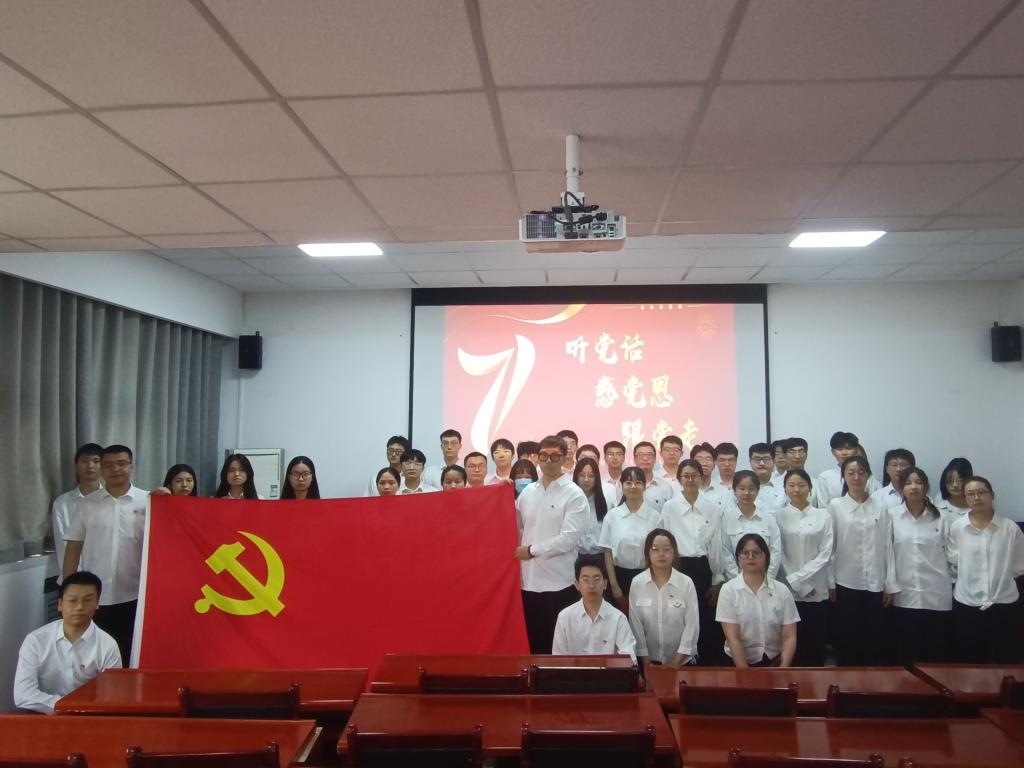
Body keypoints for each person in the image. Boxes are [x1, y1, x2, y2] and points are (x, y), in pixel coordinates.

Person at [62, 445, 146, 665]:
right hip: (95, 596)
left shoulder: (148, 501)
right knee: (93, 655)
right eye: (108, 465)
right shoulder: (87, 504)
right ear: (101, 469)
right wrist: (67, 589)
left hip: (135, 594)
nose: (115, 469)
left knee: (130, 654)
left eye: (121, 464)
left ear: (131, 466)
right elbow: (73, 547)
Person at [515, 435, 587, 653]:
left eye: (555, 456)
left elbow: (568, 539)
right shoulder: (528, 492)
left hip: (559, 583)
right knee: (532, 646)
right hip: (527, 582)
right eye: (543, 455)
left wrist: (532, 551)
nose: (548, 461)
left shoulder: (574, 494)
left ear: (564, 458)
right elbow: (515, 528)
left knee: (558, 648)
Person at [13, 571, 121, 713]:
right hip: (46, 714)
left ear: (97, 604)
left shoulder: (108, 645)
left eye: (88, 600)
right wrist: (67, 706)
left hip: (90, 716)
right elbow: (23, 694)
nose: (80, 607)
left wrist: (81, 710)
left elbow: (112, 696)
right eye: (72, 600)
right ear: (60, 604)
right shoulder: (35, 641)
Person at [828, 455, 898, 666]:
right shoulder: (836, 506)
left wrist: (890, 584)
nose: (856, 477)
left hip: (875, 582)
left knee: (874, 639)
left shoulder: (881, 506)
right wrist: (830, 582)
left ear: (868, 476)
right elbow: (830, 547)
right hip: (845, 581)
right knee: (848, 638)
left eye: (861, 473)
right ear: (844, 476)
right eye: (851, 473)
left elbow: (888, 547)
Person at [946, 476, 1024, 663]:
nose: (977, 498)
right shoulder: (958, 527)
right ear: (965, 498)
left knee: (1006, 660)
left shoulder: (1010, 529)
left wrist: (999, 581)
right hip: (967, 602)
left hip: (1004, 604)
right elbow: (953, 561)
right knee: (969, 659)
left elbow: (1018, 566)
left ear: (992, 495)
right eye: (970, 494)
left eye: (981, 492)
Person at [656, 459, 722, 664]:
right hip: (679, 567)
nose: (691, 480)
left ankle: (704, 664)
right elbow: (664, 539)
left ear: (701, 478)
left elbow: (716, 544)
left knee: (704, 617)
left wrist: (717, 578)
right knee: (679, 615)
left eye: (695, 476)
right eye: (686, 476)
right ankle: (681, 660)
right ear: (679, 479)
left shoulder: (712, 508)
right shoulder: (670, 507)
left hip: (704, 568)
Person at [890, 467, 952, 665]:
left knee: (935, 652)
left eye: (919, 482)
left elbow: (952, 555)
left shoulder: (942, 517)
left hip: (936, 593)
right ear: (901, 488)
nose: (914, 487)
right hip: (904, 594)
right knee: (906, 651)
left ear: (926, 486)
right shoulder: (891, 516)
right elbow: (887, 554)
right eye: (908, 483)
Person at [775, 469, 833, 666]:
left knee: (815, 642)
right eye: (791, 485)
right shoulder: (778, 517)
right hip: (787, 588)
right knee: (790, 644)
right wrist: (798, 583)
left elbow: (825, 553)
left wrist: (800, 580)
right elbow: (779, 553)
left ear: (810, 487)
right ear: (785, 489)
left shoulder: (823, 515)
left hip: (817, 588)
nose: (796, 489)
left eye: (801, 485)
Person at [717, 534, 799, 667]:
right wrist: (745, 674)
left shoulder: (782, 590)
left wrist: (782, 671)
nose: (751, 557)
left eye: (756, 553)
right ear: (738, 558)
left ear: (766, 557)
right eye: (745, 553)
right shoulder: (728, 590)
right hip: (737, 663)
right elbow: (733, 638)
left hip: (775, 662)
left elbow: (789, 636)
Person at [629, 529, 699, 668]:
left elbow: (692, 625)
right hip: (648, 662)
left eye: (667, 549)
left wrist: (677, 662)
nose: (661, 554)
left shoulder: (686, 583)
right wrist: (646, 661)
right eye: (655, 549)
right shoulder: (637, 583)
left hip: (682, 662)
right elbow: (635, 624)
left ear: (674, 552)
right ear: (648, 553)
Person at [599, 466, 661, 611]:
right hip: (619, 577)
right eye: (628, 482)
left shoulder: (655, 517)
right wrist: (614, 585)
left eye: (638, 482)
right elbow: (607, 552)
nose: (633, 486)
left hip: (647, 575)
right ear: (622, 486)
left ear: (644, 486)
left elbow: (658, 552)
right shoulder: (612, 516)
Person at [552, 558, 636, 662]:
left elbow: (629, 659)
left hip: (609, 672)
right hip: (574, 672)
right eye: (585, 579)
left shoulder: (618, 618)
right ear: (577, 584)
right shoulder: (564, 617)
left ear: (605, 584)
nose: (591, 585)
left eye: (597, 579)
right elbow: (558, 659)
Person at [718, 470, 782, 584]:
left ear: (757, 491)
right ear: (734, 491)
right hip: (736, 583)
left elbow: (775, 551)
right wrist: (738, 581)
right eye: (742, 488)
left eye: (751, 489)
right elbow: (725, 553)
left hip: (766, 581)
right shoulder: (726, 519)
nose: (747, 493)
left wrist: (767, 579)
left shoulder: (768, 519)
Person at [52, 443, 103, 581]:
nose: (90, 466)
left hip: (106, 579)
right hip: (73, 579)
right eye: (85, 461)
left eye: (96, 461)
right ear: (76, 466)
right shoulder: (62, 503)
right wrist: (77, 580)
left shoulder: (110, 501)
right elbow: (64, 546)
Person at [813, 432, 879, 508]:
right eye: (839, 449)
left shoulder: (866, 476)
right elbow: (823, 508)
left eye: (849, 448)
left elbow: (874, 503)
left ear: (856, 450)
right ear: (833, 452)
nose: (844, 453)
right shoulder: (825, 477)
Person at [573, 457, 610, 564]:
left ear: (597, 478)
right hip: (574, 558)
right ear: (576, 476)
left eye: (591, 476)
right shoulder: (569, 502)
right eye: (582, 475)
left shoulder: (605, 502)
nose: (586, 479)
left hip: (600, 558)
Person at [633, 441, 673, 513]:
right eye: (641, 454)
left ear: (654, 459)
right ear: (635, 459)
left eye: (649, 454)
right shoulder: (625, 485)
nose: (645, 458)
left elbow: (669, 514)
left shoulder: (665, 486)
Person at [748, 442, 786, 512]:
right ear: (750, 461)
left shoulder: (784, 485)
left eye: (766, 459)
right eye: (757, 459)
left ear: (774, 461)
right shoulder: (742, 486)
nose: (761, 463)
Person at [936, 457, 973, 523]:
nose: (955, 485)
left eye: (960, 480)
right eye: (950, 481)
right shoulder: (939, 509)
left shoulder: (977, 507)